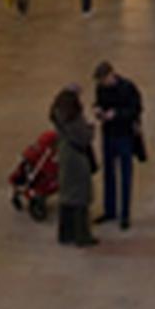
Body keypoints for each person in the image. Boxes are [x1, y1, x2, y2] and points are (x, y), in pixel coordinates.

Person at [92, 61, 144, 231]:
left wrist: (117, 114)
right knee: (108, 174)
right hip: (108, 135)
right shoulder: (101, 89)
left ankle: (125, 214)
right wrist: (98, 110)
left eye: (103, 80)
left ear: (111, 75)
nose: (102, 84)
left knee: (125, 175)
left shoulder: (128, 88)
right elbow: (98, 103)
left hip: (124, 136)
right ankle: (110, 210)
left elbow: (136, 109)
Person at [53, 86, 100, 247]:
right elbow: (83, 138)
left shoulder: (59, 114)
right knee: (80, 197)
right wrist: (91, 129)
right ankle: (82, 236)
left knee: (66, 196)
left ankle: (65, 233)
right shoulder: (74, 118)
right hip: (77, 159)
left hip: (65, 155)